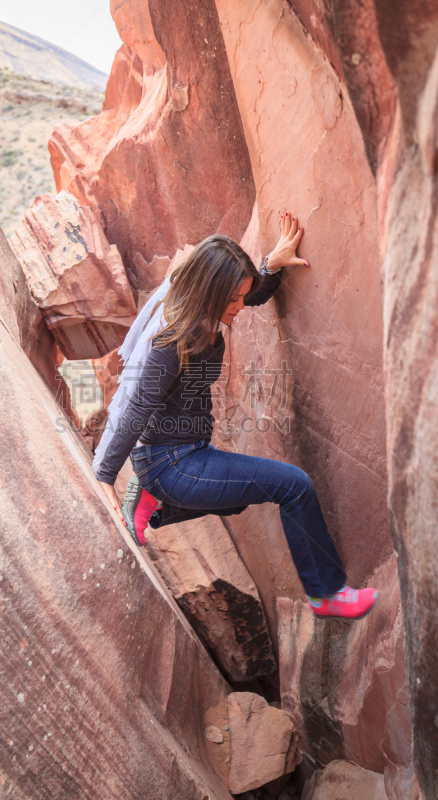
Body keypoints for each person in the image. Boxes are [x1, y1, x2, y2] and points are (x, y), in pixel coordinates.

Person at [93, 212, 378, 620]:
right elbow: (135, 407)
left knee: (237, 500)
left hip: (184, 454)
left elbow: (254, 293)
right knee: (293, 486)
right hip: (173, 462)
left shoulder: (206, 308)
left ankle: (154, 505)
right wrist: (104, 474)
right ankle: (328, 594)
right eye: (233, 299)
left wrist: (270, 266)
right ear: (209, 295)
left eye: (240, 295)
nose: (241, 306)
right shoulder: (169, 341)